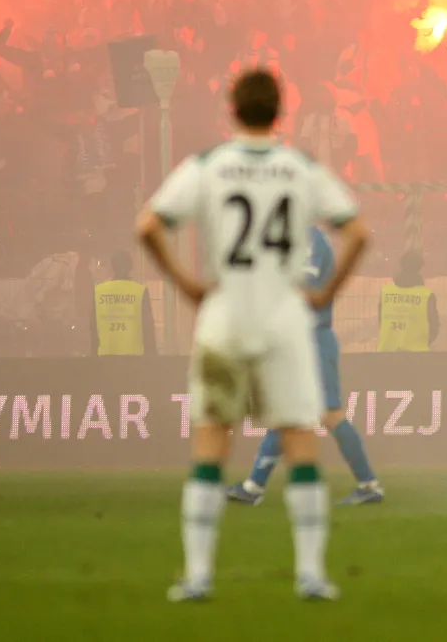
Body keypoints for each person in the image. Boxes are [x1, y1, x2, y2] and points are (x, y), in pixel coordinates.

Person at [136, 68, 369, 604]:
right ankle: (311, 575)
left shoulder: (210, 165)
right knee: (300, 442)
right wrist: (325, 291)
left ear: (231, 109)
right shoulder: (299, 168)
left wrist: (186, 284)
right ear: (280, 111)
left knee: (211, 443)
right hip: (286, 318)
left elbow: (148, 226)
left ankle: (198, 577)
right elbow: (358, 231)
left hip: (225, 316)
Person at [227, 225, 384, 507]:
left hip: (312, 339)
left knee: (330, 414)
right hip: (301, 340)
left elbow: (304, 292)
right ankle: (253, 487)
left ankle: (369, 484)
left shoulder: (310, 240)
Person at [92, 250, 156, 356]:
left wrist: (93, 358)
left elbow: (93, 329)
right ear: (130, 268)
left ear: (112, 267)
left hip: (105, 358)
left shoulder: (99, 291)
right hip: (135, 359)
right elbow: (148, 329)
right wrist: (153, 357)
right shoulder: (140, 291)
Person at [377, 250, 440, 352]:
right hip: (417, 357)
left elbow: (382, 323)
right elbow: (434, 329)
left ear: (401, 266)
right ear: (419, 268)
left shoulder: (386, 292)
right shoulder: (426, 296)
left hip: (387, 355)